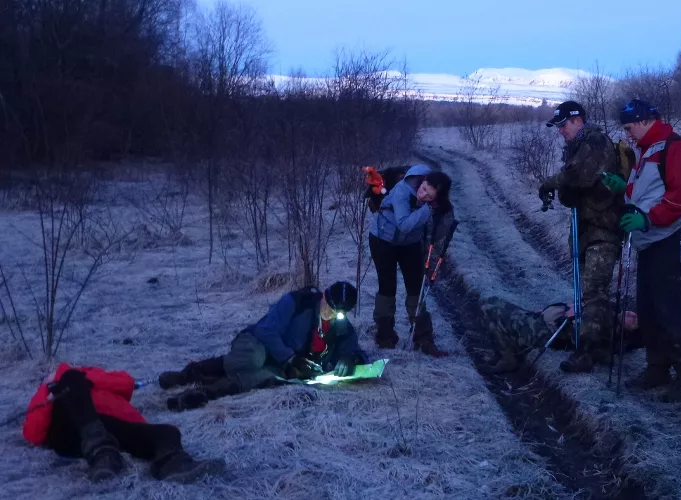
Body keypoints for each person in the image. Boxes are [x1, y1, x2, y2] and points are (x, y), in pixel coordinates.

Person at [603, 98, 681, 403]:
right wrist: (624, 187)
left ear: (646, 120)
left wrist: (647, 218)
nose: (629, 134)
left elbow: (680, 198)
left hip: (667, 241)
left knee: (674, 310)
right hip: (648, 241)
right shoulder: (647, 151)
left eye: (630, 127)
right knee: (649, 309)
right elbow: (645, 191)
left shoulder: (676, 148)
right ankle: (657, 368)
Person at [159, 281, 368, 411]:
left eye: (338, 313)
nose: (330, 314)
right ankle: (189, 374)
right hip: (257, 344)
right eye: (328, 307)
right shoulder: (298, 302)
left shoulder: (341, 328)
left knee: (264, 377)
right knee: (252, 359)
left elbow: (356, 351)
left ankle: (204, 393)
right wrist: (291, 359)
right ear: (323, 296)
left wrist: (351, 359)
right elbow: (266, 331)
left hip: (281, 366)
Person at [539, 100, 629, 373]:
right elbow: (572, 187)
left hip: (602, 228)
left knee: (592, 291)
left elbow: (577, 176)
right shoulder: (579, 146)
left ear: (578, 120)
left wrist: (551, 182)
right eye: (558, 126)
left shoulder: (595, 142)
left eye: (563, 124)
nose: (561, 131)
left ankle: (587, 351)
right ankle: (600, 346)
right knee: (590, 292)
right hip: (587, 228)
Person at [22, 363, 223, 483]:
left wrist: (84, 375)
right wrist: (52, 387)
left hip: (112, 425)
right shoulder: (51, 389)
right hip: (71, 431)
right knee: (70, 379)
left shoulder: (91, 376)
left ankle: (174, 464)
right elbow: (33, 433)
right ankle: (102, 453)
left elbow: (126, 383)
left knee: (167, 432)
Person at [369, 165, 455, 357]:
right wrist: (427, 209)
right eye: (424, 189)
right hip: (383, 239)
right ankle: (385, 337)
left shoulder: (435, 202)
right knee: (387, 286)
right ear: (423, 180)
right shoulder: (402, 190)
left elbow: (445, 220)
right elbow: (404, 224)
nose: (423, 195)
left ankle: (423, 339)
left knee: (416, 287)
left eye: (429, 196)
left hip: (411, 243)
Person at [478, 295, 642, 373]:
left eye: (634, 322)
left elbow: (602, 350)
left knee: (489, 308)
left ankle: (507, 358)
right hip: (538, 318)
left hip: (545, 333)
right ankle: (507, 352)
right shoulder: (609, 309)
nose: (632, 315)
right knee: (490, 301)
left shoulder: (608, 330)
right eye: (634, 313)